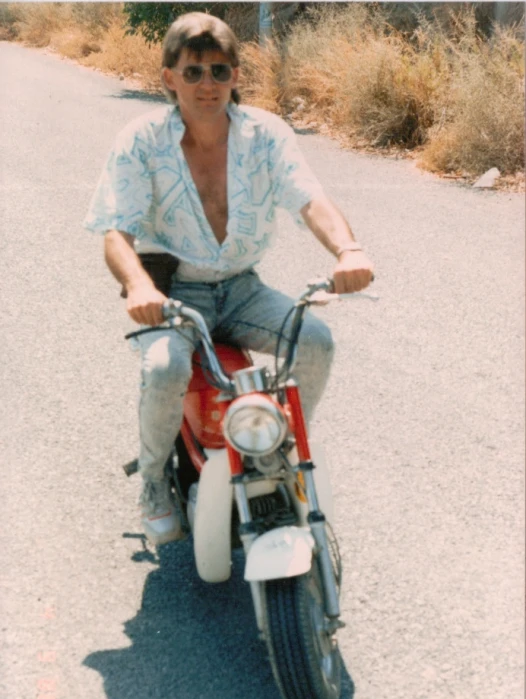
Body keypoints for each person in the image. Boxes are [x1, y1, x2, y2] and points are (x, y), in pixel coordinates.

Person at [84, 12, 374, 546]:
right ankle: (153, 483)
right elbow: (115, 231)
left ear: (236, 75)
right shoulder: (141, 140)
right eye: (192, 72)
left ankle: (278, 451)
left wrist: (347, 248)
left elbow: (309, 198)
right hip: (174, 292)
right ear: (169, 77)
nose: (207, 84)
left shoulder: (266, 135)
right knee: (166, 365)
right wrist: (142, 287)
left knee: (315, 340)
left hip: (241, 285)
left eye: (219, 71)